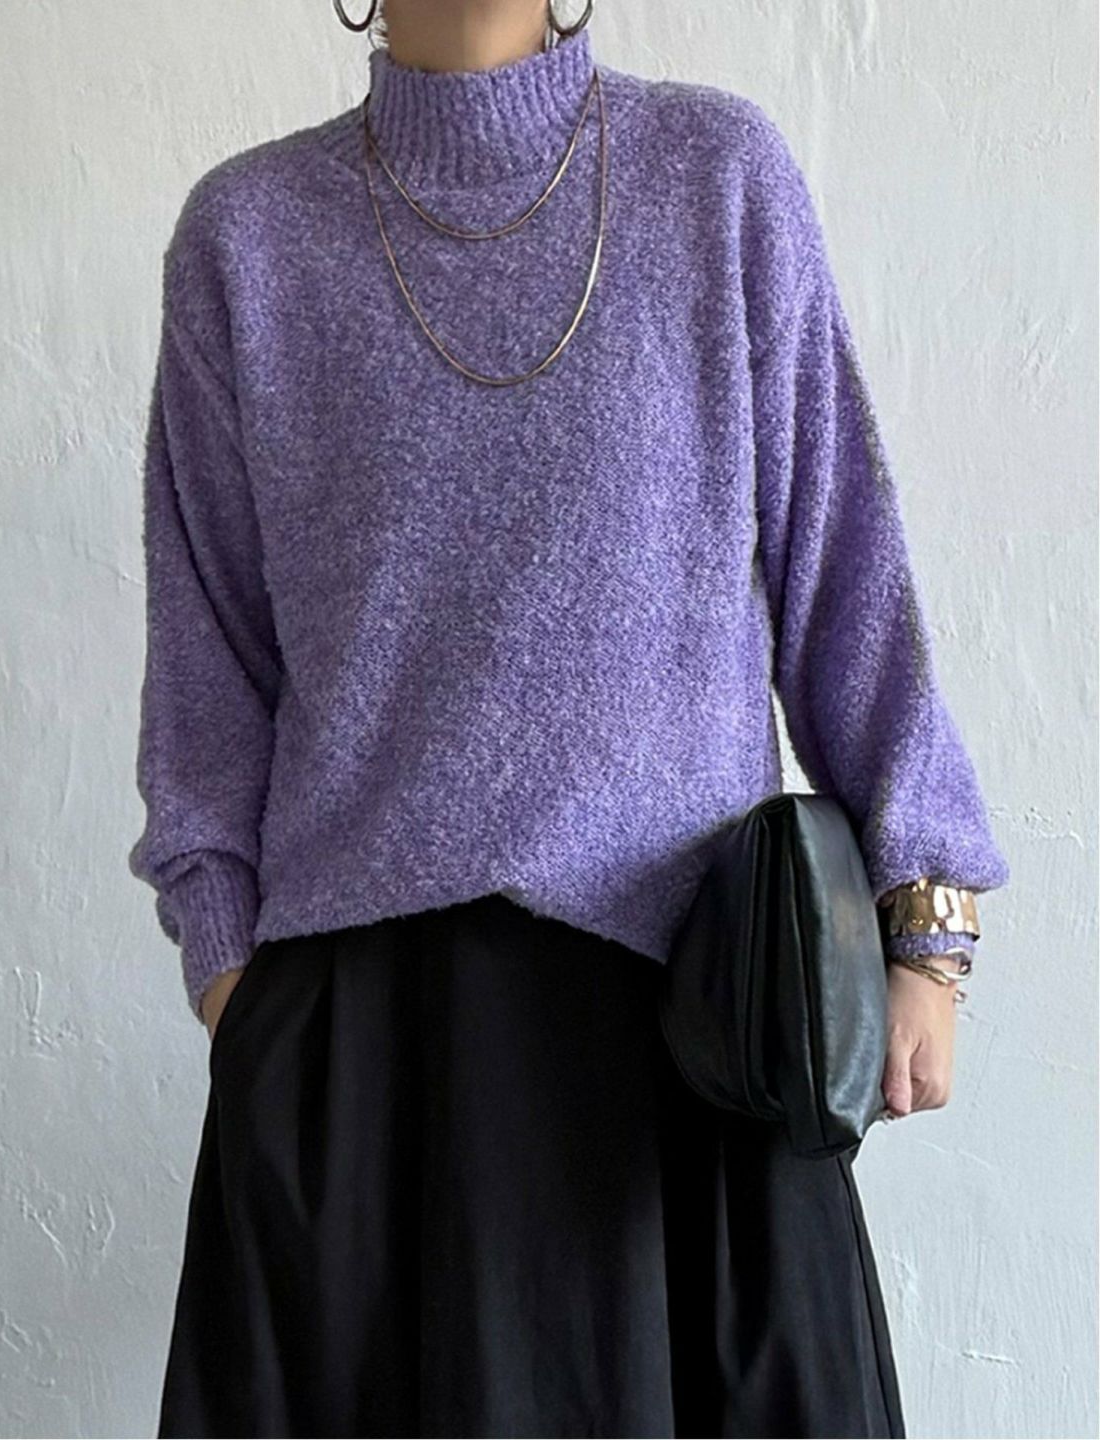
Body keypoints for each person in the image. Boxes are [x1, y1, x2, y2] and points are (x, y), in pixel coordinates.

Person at [127, 2, 1010, 1435]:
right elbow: (207, 669)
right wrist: (241, 988)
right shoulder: (248, 239)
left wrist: (929, 925)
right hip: (364, 1084)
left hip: (695, 1050)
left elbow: (846, 573)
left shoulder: (716, 179)